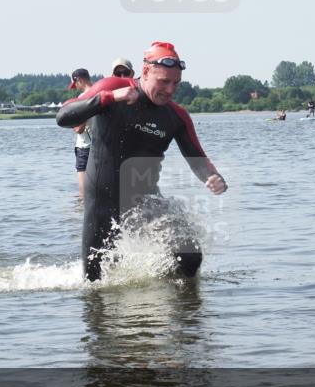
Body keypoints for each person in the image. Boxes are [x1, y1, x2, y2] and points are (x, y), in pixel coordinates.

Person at [56, 41, 227, 281]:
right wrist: (109, 98)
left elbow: (197, 159)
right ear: (145, 73)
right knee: (94, 283)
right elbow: (63, 116)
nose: (169, 90)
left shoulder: (176, 116)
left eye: (175, 83)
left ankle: (168, 311)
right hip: (102, 206)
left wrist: (214, 178)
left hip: (146, 202)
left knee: (189, 258)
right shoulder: (113, 87)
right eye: (164, 82)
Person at [68, 68, 94, 199]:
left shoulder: (83, 97)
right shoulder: (99, 92)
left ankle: (82, 209)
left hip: (84, 146)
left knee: (83, 189)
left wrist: (72, 124)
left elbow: (80, 129)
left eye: (76, 84)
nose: (76, 87)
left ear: (80, 80)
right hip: (98, 145)